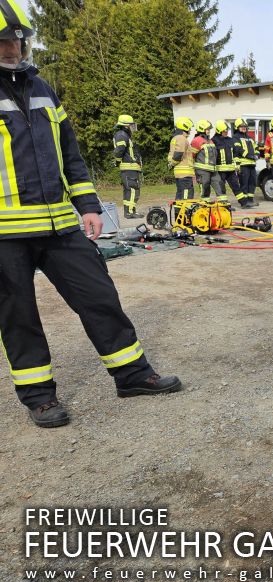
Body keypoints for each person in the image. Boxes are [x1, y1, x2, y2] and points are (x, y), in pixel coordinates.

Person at [0, 1, 182, 428]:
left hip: (60, 224)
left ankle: (132, 376)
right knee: (17, 316)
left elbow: (70, 154)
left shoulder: (43, 88)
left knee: (99, 296)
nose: (12, 47)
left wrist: (87, 206)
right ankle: (40, 398)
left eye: (18, 39)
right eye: (3, 40)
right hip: (4, 232)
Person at [112, 114, 143, 218]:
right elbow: (119, 150)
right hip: (129, 167)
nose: (132, 127)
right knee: (133, 189)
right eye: (131, 125)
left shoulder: (123, 135)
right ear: (126, 126)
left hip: (129, 168)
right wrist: (117, 161)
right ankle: (130, 212)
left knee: (129, 190)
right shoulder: (122, 135)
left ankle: (129, 211)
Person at [232, 117, 259, 208]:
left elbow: (256, 147)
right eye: (241, 126)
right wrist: (250, 155)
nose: (244, 128)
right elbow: (238, 149)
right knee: (244, 183)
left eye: (245, 126)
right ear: (237, 127)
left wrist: (257, 154)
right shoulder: (235, 137)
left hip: (251, 163)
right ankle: (245, 202)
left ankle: (250, 200)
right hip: (243, 164)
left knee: (253, 182)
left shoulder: (249, 138)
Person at [212, 119, 240, 204]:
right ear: (219, 131)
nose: (226, 132)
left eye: (227, 130)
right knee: (221, 187)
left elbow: (235, 153)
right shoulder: (213, 141)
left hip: (231, 169)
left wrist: (237, 165)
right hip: (220, 170)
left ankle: (244, 202)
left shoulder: (230, 140)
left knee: (236, 186)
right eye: (224, 131)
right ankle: (223, 204)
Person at [168, 116, 195, 201]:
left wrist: (171, 164)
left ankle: (178, 213)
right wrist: (172, 164)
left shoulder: (176, 138)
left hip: (180, 172)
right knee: (186, 197)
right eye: (189, 128)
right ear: (185, 127)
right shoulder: (181, 138)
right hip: (185, 173)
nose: (190, 130)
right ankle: (185, 214)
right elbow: (178, 154)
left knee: (180, 195)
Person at [191, 119, 217, 200]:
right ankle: (204, 205)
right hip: (202, 170)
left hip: (212, 169)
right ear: (202, 129)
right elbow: (191, 156)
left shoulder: (209, 140)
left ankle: (221, 205)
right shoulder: (196, 140)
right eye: (207, 129)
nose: (209, 131)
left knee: (219, 185)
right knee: (204, 188)